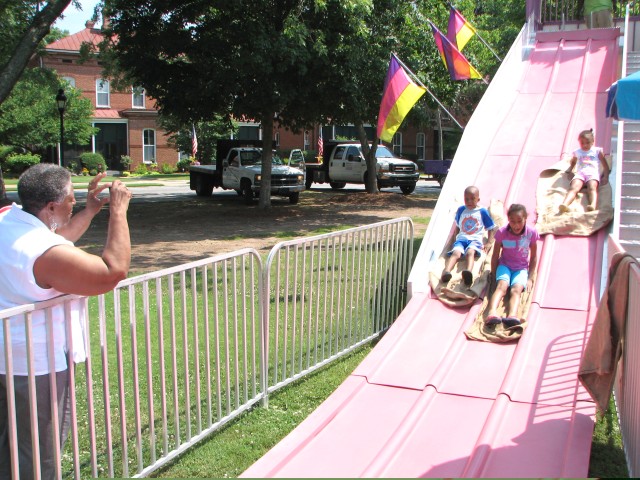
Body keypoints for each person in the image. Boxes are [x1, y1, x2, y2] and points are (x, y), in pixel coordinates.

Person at [0, 164, 132, 480]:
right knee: (38, 456)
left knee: (9, 447)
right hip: (35, 366)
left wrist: (88, 212)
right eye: (72, 199)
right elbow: (111, 272)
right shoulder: (39, 249)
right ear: (51, 206)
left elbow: (55, 242)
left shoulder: (10, 222)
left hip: (8, 358)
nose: (73, 203)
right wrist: (118, 211)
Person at [484, 204, 539, 328]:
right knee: (501, 287)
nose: (516, 225)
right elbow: (495, 255)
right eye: (512, 221)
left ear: (525, 219)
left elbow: (534, 256)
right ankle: (492, 313)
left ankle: (512, 315)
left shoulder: (531, 233)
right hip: (505, 265)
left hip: (521, 268)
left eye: (519, 221)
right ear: (508, 220)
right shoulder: (502, 232)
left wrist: (530, 277)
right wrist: (493, 273)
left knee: (516, 290)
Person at [441, 185, 496, 287]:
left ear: (478, 199)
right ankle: (446, 272)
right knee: (456, 253)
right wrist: (454, 240)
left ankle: (468, 272)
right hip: (462, 238)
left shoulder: (482, 211)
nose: (469, 201)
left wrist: (489, 242)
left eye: (472, 199)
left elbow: (490, 228)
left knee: (470, 253)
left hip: (474, 240)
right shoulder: (461, 210)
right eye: (466, 199)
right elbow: (457, 226)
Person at [559, 129, 610, 213]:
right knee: (573, 188)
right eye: (582, 143)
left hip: (592, 174)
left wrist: (606, 176)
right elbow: (574, 162)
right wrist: (570, 170)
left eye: (587, 143)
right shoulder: (577, 152)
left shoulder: (597, 151)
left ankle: (592, 204)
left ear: (592, 142)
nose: (584, 145)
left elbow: (605, 165)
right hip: (581, 174)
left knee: (592, 187)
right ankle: (565, 204)